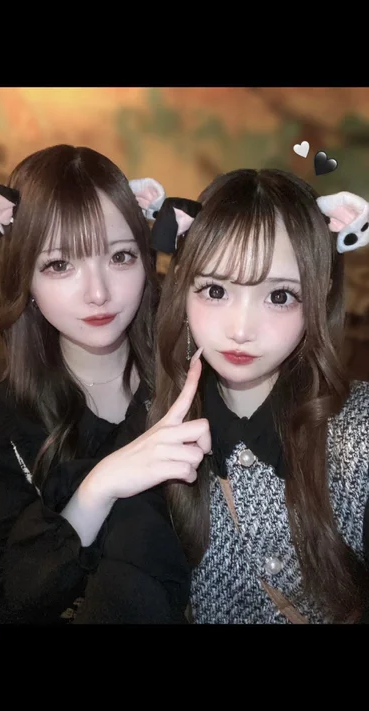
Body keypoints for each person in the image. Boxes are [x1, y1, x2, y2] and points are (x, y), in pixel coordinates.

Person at [0, 144, 210, 624]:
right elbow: (3, 600)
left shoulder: (195, 380)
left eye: (121, 257)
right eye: (60, 265)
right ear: (25, 278)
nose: (98, 292)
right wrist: (98, 488)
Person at [147, 169, 369, 624]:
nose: (242, 330)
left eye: (280, 296)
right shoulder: (151, 425)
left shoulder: (361, 430)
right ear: (183, 291)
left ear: (320, 295)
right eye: (215, 290)